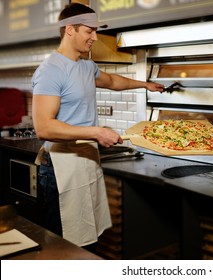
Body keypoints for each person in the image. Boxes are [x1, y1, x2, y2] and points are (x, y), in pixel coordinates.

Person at [31, 3, 164, 250]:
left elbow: (113, 80)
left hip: (85, 161)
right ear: (70, 29)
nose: (94, 38)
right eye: (88, 31)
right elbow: (44, 128)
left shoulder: (86, 66)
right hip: (60, 170)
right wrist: (96, 131)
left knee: (86, 242)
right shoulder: (51, 71)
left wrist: (144, 85)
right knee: (61, 248)